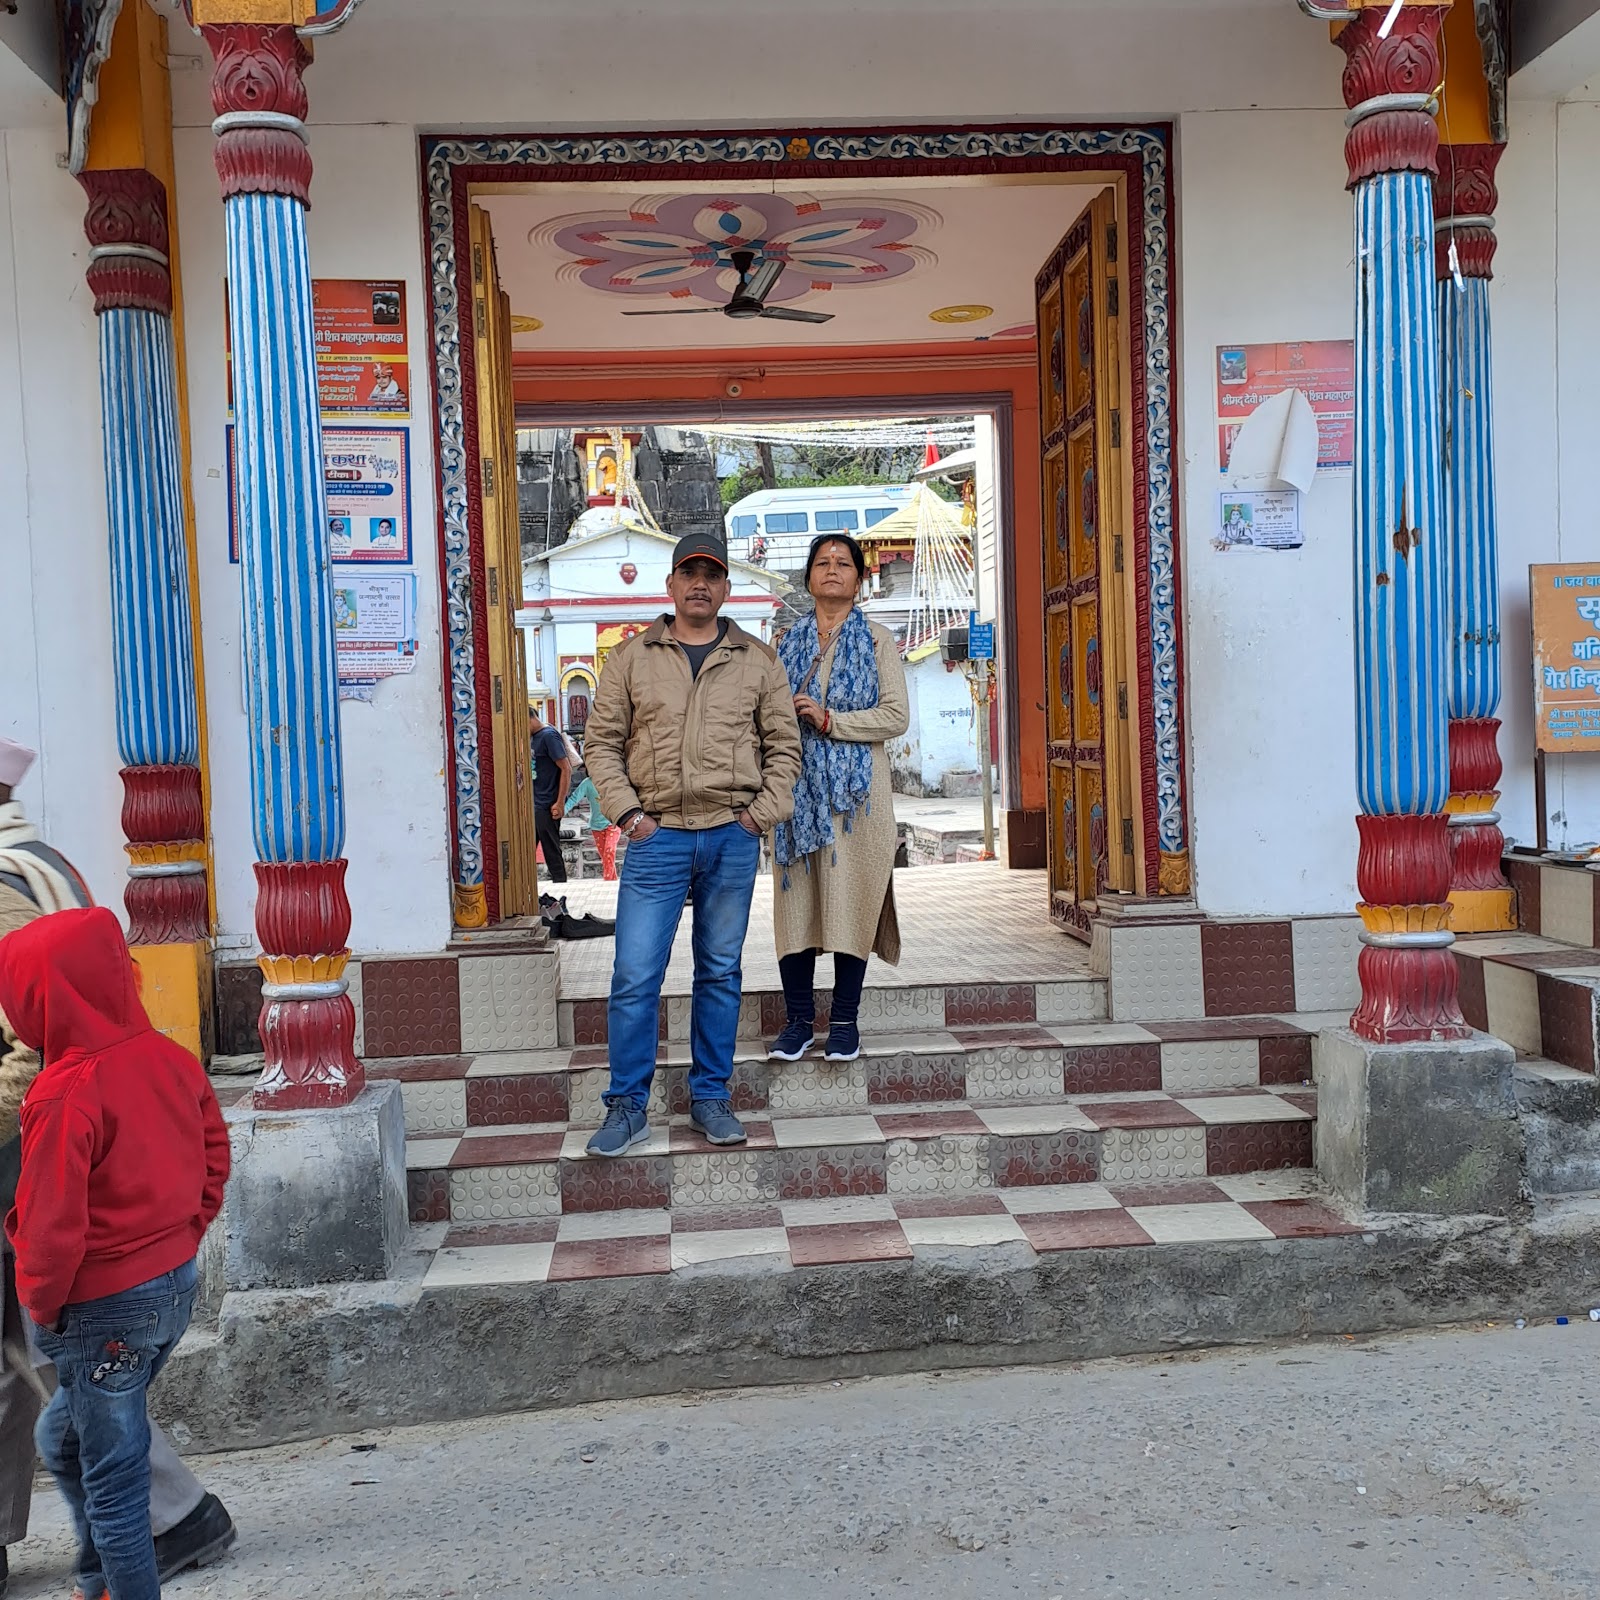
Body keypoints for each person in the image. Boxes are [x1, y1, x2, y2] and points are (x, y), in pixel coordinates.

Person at [0, 739, 234, 1597]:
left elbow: (54, 1225)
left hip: (96, 1304)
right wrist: (184, 1230)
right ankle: (102, 1571)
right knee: (71, 1434)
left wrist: (41, 1300)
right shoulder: (166, 1057)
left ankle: (123, 1582)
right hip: (171, 1284)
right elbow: (215, 1148)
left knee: (112, 1468)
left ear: (40, 1001)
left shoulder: (61, 1097)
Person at [583, 534, 801, 1155]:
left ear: (727, 588)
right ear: (671, 586)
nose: (700, 584)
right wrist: (629, 816)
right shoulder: (630, 660)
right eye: (690, 573)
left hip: (732, 838)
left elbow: (785, 748)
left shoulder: (758, 661)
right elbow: (600, 743)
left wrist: (757, 818)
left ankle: (711, 1096)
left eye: (712, 574)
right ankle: (627, 1107)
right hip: (657, 840)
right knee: (633, 976)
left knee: (720, 973)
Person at [768, 534, 910, 1064]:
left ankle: (845, 1021)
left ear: (859, 580)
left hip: (859, 801)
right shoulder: (785, 645)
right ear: (808, 578)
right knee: (797, 904)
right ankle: (799, 1021)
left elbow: (896, 716)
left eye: (843, 564)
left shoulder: (878, 641)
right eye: (822, 563)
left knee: (851, 898)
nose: (832, 570)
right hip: (798, 794)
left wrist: (833, 722)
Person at [529, 708, 572, 884]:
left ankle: (562, 888)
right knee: (525, 851)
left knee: (551, 851)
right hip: (534, 802)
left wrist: (560, 802)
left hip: (547, 804)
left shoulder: (548, 736)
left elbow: (566, 769)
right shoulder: (533, 737)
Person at [567, 764, 621, 881]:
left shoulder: (613, 780)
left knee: (609, 851)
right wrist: (562, 811)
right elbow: (574, 798)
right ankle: (612, 882)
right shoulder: (587, 783)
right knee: (606, 857)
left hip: (613, 823)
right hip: (597, 826)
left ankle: (607, 882)